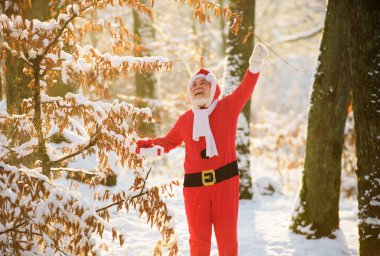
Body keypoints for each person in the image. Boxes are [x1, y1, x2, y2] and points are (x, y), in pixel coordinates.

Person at [136, 43, 269, 256]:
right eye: (194, 84)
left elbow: (246, 87)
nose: (198, 86)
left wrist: (255, 63)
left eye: (203, 83)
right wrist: (148, 147)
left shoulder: (228, 107)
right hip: (195, 189)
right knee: (198, 243)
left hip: (225, 184)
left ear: (214, 87)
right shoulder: (186, 120)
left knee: (228, 242)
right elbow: (168, 142)